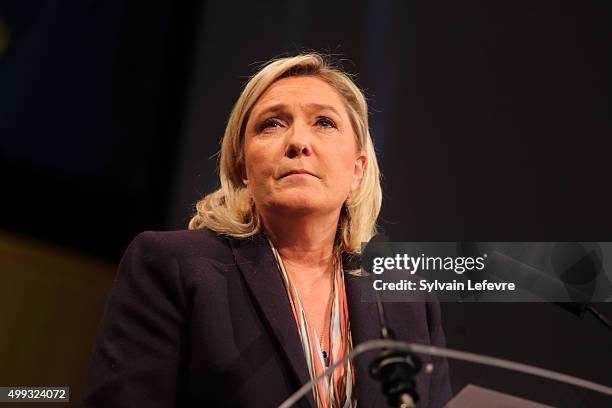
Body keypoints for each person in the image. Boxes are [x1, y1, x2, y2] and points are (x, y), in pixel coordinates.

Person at [80, 53, 452, 407]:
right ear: (243, 168)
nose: (298, 143)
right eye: (271, 124)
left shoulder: (406, 301)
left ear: (358, 169)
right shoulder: (173, 266)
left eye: (324, 122)